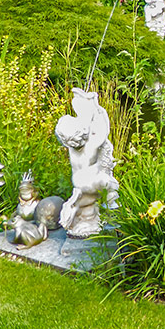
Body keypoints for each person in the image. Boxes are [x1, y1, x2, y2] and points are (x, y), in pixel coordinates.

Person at [55, 88, 119, 237]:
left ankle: (87, 214)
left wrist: (83, 100)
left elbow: (85, 119)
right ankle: (111, 205)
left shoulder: (71, 147)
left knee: (87, 202)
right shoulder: (89, 146)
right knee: (108, 182)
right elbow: (102, 128)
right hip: (89, 181)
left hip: (79, 182)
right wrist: (94, 104)